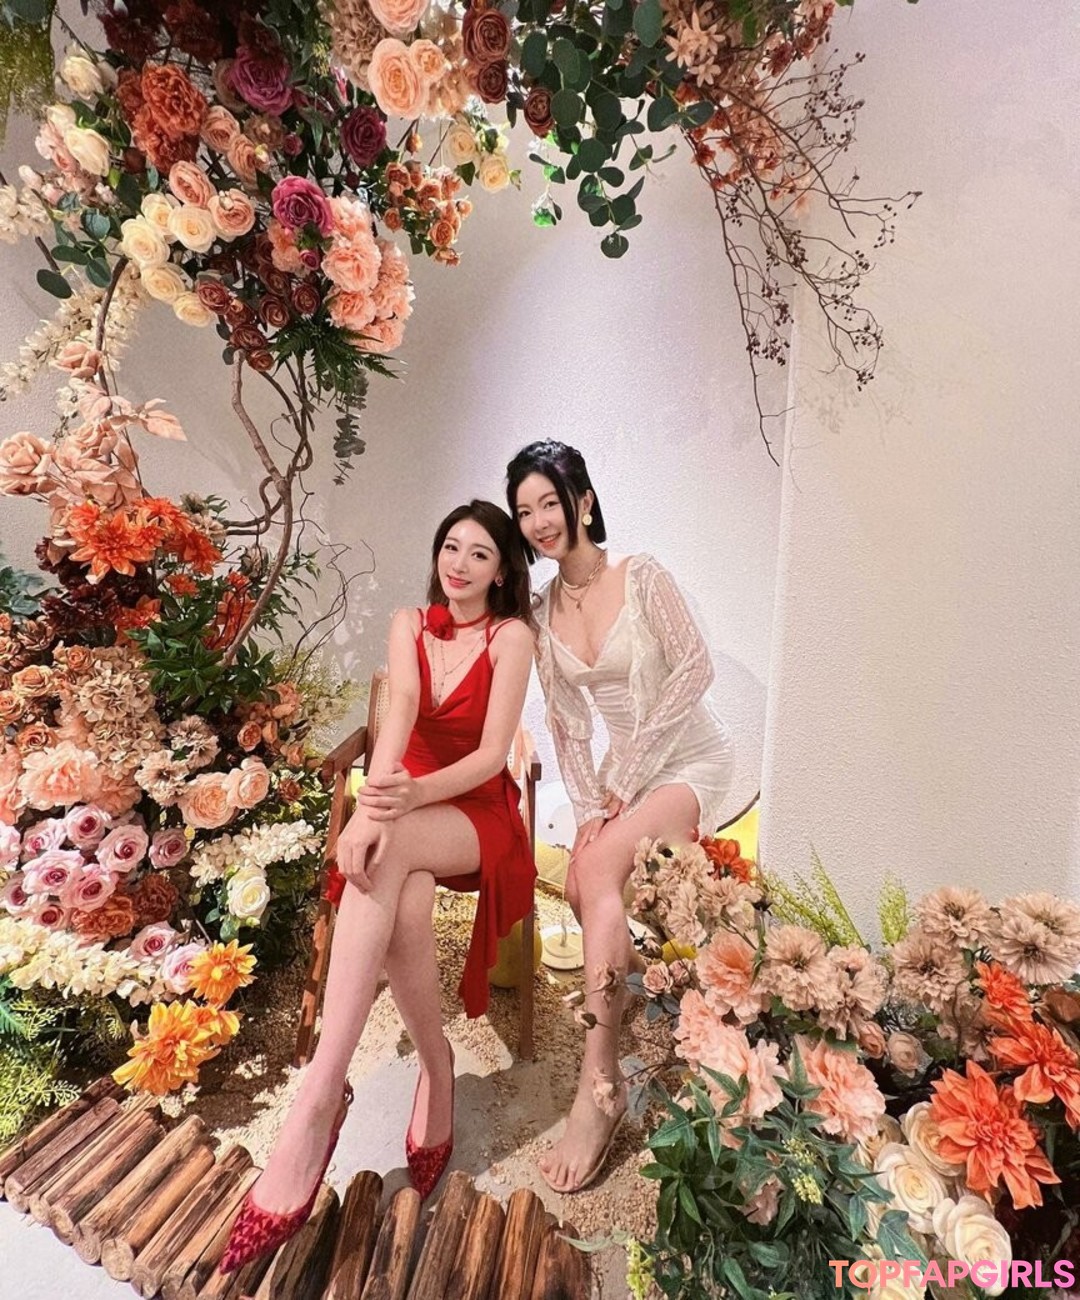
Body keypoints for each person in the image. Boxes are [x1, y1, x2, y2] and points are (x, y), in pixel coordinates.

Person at [222, 500, 536, 1272]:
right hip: (407, 803)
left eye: (480, 554)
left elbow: (491, 756)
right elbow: (396, 727)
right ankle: (437, 1066)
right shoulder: (410, 625)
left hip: (474, 810)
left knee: (378, 853)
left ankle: (320, 1095)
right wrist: (372, 802)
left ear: (502, 572)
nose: (459, 564)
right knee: (402, 899)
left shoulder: (512, 637)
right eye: (451, 547)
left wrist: (393, 807)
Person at [506, 440, 732, 1194]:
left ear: (584, 502)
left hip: (690, 761)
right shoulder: (542, 613)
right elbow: (568, 725)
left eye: (550, 502)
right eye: (525, 510)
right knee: (583, 880)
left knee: (595, 874)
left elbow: (696, 669)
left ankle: (598, 1087)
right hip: (618, 780)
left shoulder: (643, 576)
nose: (540, 521)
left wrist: (623, 784)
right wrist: (586, 810)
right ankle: (635, 993)